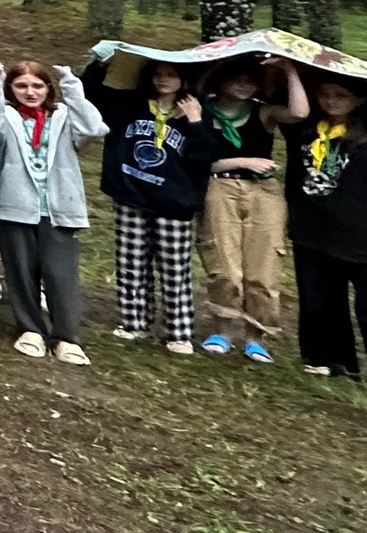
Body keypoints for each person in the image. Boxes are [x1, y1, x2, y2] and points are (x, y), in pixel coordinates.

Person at [0, 56, 106, 362]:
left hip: (59, 206)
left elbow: (94, 127)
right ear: (11, 88)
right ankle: (31, 329)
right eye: (21, 85)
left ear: (48, 88)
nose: (30, 92)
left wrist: (72, 86)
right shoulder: (7, 115)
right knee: (20, 271)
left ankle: (66, 336)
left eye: (37, 85)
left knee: (60, 274)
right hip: (14, 205)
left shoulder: (63, 116)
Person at [82, 55, 213, 355]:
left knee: (174, 268)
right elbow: (91, 95)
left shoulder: (196, 109)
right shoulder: (130, 104)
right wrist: (99, 64)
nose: (163, 79)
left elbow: (206, 155)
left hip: (174, 202)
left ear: (184, 79)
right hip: (131, 195)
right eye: (158, 74)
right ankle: (133, 323)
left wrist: (195, 121)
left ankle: (178, 332)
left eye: (171, 74)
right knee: (131, 263)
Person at [196, 59, 291, 361]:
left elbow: (300, 112)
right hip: (219, 188)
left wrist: (288, 71)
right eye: (236, 78)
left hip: (264, 193)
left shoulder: (263, 110)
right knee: (223, 264)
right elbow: (196, 160)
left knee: (263, 267)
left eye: (251, 79)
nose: (244, 84)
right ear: (221, 80)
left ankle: (256, 336)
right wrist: (243, 162)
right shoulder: (200, 110)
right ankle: (222, 330)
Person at [279, 70, 367, 376]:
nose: (331, 101)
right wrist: (291, 71)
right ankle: (328, 360)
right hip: (312, 229)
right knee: (319, 300)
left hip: (359, 232)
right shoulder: (305, 127)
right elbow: (292, 105)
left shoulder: (364, 132)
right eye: (325, 94)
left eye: (341, 95)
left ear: (359, 99)